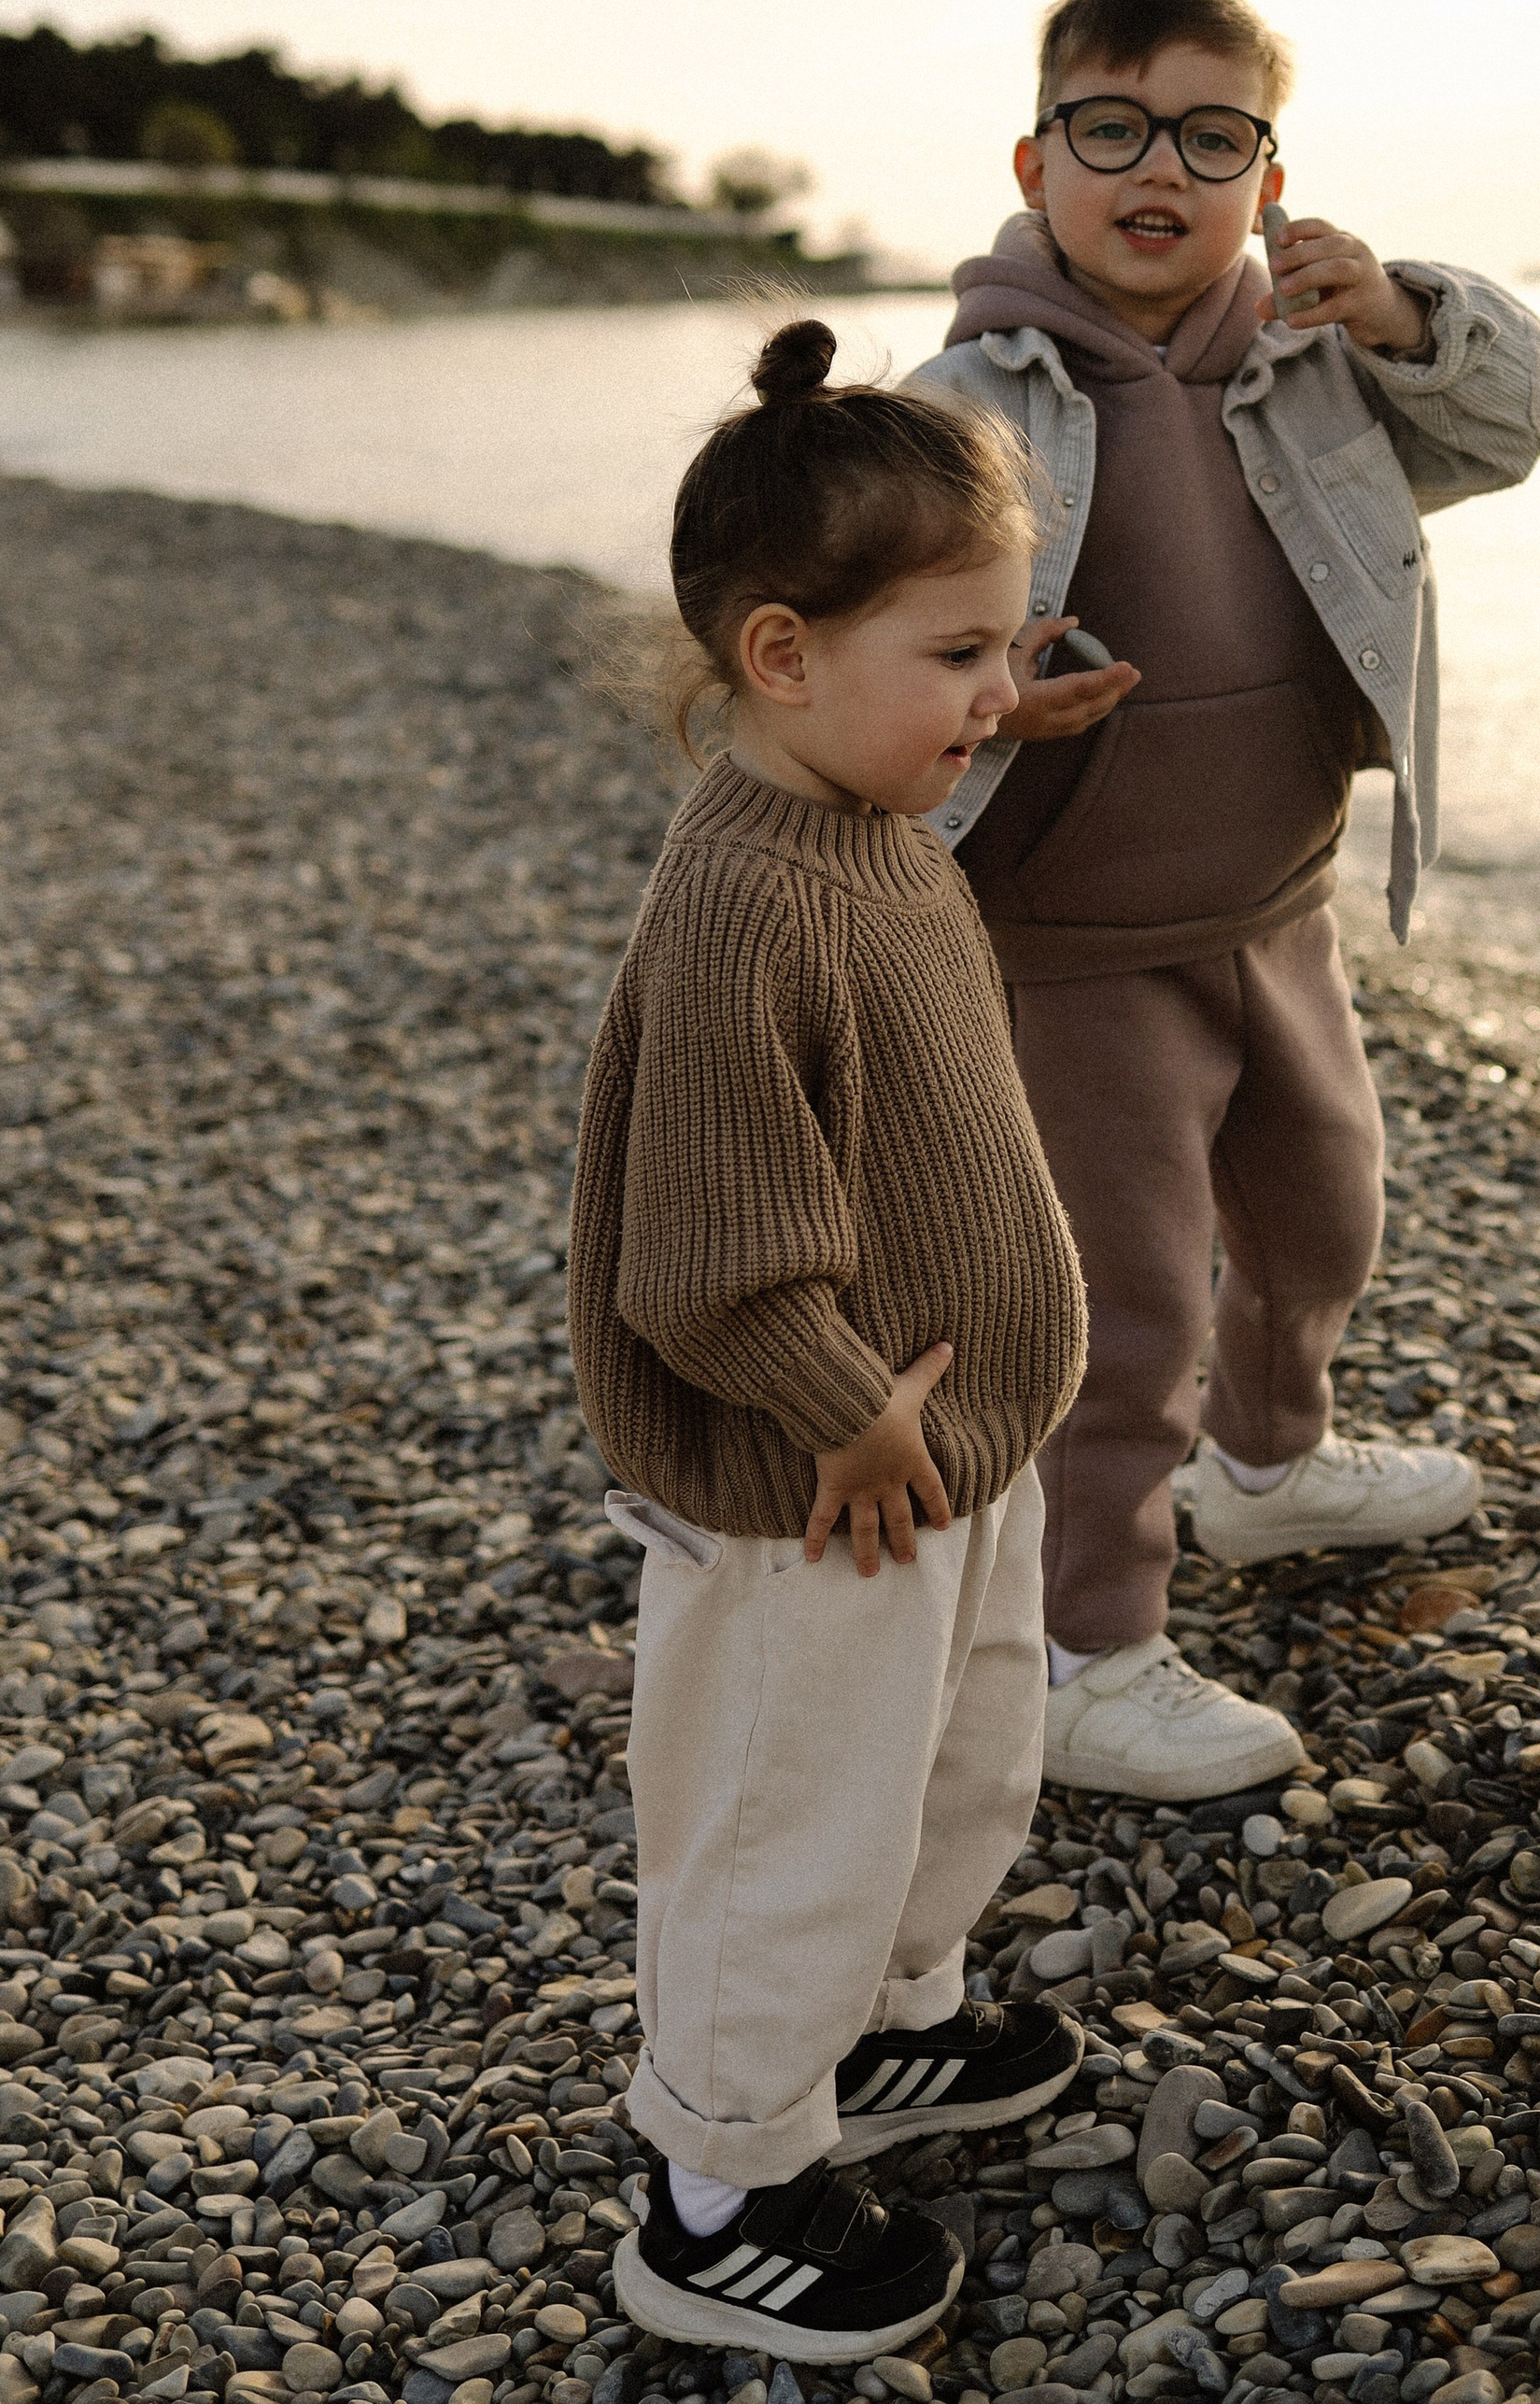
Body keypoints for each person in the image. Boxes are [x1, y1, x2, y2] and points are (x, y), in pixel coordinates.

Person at [911, 0, 1540, 1802]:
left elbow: (1508, 429)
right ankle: (1081, 1649)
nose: (1159, 170)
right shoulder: (973, 395)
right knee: (1118, 1305)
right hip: (1073, 944)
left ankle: (1268, 1468)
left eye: (1212, 139)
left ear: (1269, 184)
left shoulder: (1316, 366)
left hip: (1279, 903)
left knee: (1319, 1213)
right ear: (1035, 162)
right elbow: (877, 619)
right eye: (1111, 130)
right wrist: (980, 694)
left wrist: (1414, 312)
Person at [569, 321, 1090, 2369]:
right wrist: (841, 1411)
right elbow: (703, 1249)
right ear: (781, 655)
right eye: (959, 654)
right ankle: (717, 2178)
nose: (997, 695)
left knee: (953, 1762)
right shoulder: (743, 899)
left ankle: (883, 2026)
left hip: (947, 1445)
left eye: (1008, 647)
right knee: (791, 1815)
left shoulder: (870, 828)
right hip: (824, 1481)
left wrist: (991, 708)